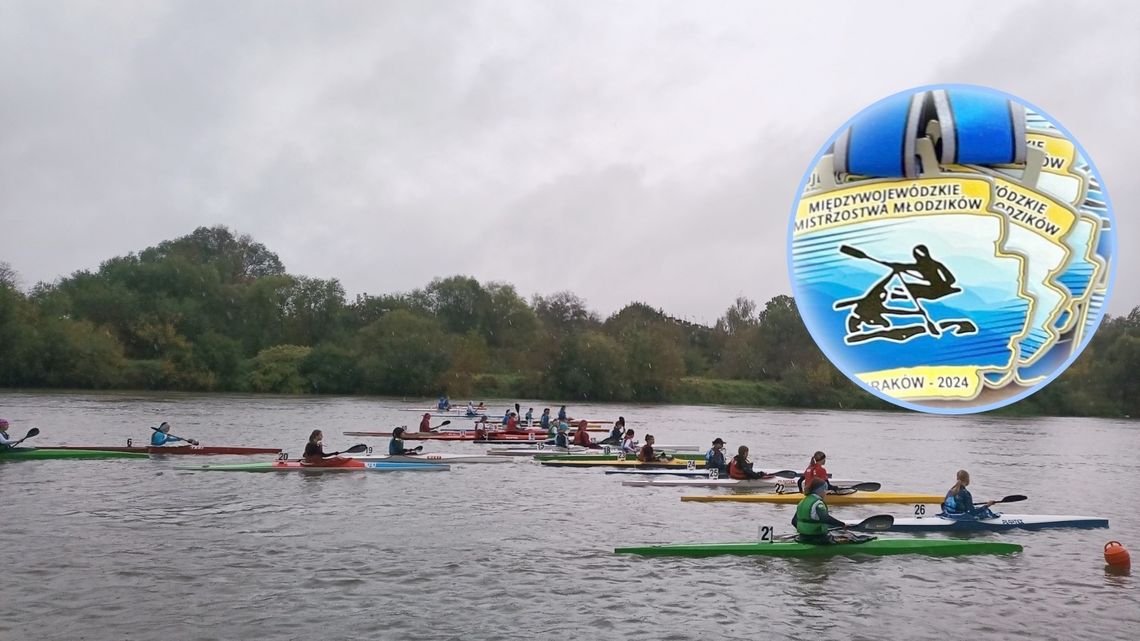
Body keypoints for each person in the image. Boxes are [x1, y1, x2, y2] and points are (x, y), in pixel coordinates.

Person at [791, 479, 849, 544]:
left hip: (802, 537)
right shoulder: (817, 503)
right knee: (846, 537)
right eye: (825, 490)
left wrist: (804, 531)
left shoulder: (802, 502)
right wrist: (842, 524)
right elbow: (825, 518)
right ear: (820, 491)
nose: (826, 492)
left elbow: (794, 521)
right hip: (817, 537)